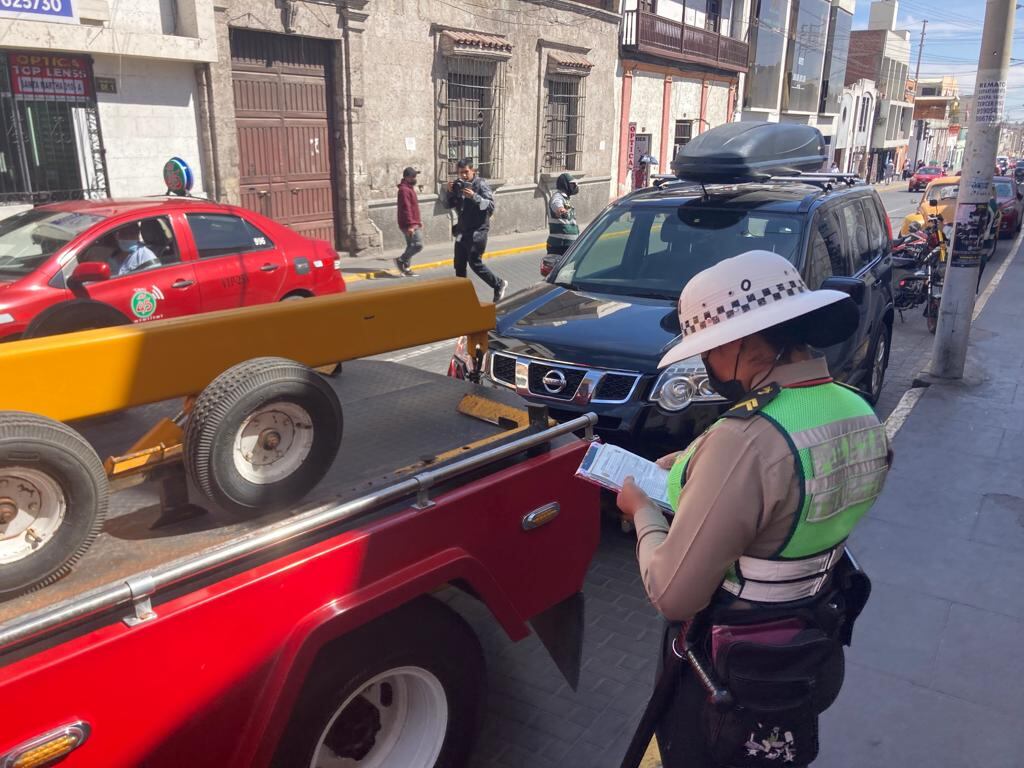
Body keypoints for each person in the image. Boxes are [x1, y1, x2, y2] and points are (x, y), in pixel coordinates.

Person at [616, 250, 890, 768]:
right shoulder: (855, 407)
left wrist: (643, 513)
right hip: (809, 636)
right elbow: (795, 485)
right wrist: (692, 462)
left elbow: (673, 594)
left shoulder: (745, 437)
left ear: (741, 346)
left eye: (710, 352)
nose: (706, 365)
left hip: (729, 661)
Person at [444, 158, 508, 302]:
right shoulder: (459, 185)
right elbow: (449, 205)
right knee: (459, 263)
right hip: (462, 231)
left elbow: (490, 206)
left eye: (466, 172)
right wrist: (450, 192)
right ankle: (461, 296)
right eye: (461, 173)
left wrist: (474, 196)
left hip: (477, 232)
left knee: (474, 262)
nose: (464, 176)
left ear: (473, 171)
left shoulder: (481, 184)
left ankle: (498, 284)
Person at [395, 166, 422, 277]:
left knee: (410, 245)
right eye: (413, 176)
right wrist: (411, 225)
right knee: (418, 245)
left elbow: (413, 207)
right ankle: (401, 260)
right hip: (408, 224)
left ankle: (406, 269)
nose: (415, 178)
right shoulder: (404, 190)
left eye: (415, 176)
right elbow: (406, 208)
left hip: (413, 222)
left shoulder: (409, 188)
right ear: (406, 177)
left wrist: (418, 221)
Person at [546, 172, 580, 260]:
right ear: (565, 185)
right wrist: (561, 210)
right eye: (573, 184)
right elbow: (556, 205)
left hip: (568, 244)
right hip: (560, 245)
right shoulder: (557, 197)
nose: (575, 187)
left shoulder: (566, 199)